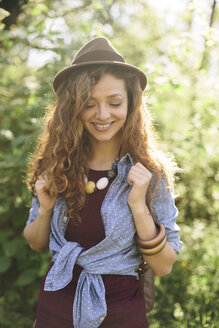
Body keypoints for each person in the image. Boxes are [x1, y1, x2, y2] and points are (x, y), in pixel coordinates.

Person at [23, 37, 183, 328]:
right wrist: (45, 209)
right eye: (89, 104)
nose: (103, 115)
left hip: (121, 316)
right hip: (55, 312)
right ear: (73, 108)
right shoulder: (57, 164)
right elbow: (36, 244)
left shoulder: (151, 174)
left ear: (131, 104)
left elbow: (164, 266)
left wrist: (139, 207)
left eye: (114, 102)